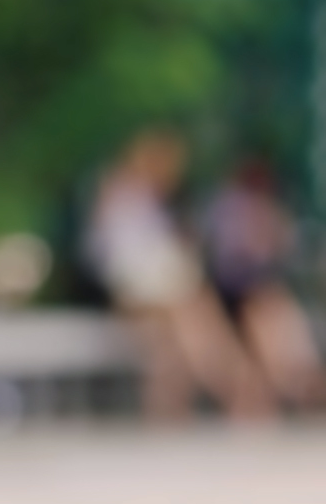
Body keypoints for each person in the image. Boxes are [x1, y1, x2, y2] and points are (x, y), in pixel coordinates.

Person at [86, 128, 272, 422]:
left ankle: (177, 410)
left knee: (176, 342)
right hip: (134, 293)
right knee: (194, 320)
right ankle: (240, 390)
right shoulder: (121, 196)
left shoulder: (146, 201)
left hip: (157, 294)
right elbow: (116, 261)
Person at [202, 159, 326, 412]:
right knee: (268, 315)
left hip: (256, 291)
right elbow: (232, 260)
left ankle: (301, 379)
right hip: (233, 293)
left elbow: (278, 249)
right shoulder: (230, 208)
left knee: (276, 314)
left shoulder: (264, 209)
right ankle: (301, 383)